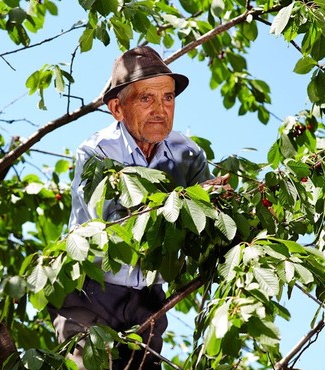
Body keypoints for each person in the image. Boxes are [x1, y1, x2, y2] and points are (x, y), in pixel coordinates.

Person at [48, 45, 224, 369]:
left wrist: (227, 208)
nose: (160, 109)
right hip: (88, 295)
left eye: (168, 98)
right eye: (147, 98)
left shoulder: (189, 155)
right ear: (117, 108)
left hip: (147, 303)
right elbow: (120, 228)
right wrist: (191, 202)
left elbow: (210, 224)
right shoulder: (96, 152)